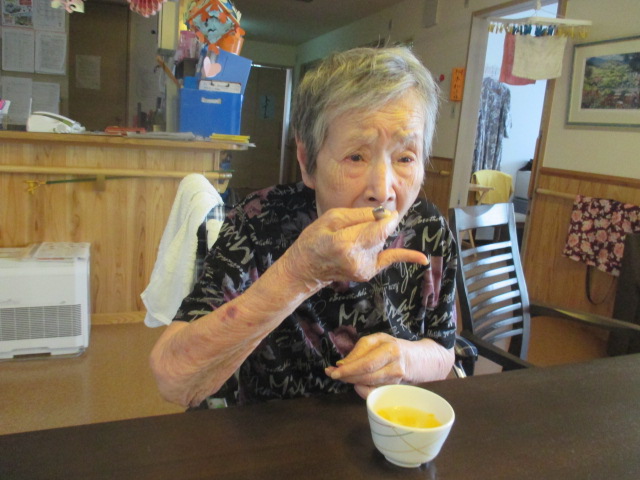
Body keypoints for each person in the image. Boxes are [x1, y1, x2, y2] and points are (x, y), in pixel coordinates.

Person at [150, 46, 458, 408]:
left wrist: (406, 359)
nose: (383, 190)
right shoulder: (259, 222)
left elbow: (444, 349)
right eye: (356, 156)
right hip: (274, 433)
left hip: (385, 430)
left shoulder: (429, 229)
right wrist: (301, 272)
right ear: (307, 160)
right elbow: (174, 380)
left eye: (405, 157)